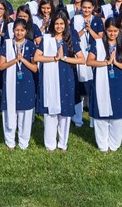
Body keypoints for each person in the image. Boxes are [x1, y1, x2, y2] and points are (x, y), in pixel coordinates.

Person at [34, 12, 80, 152]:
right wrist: (54, 58)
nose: (59, 26)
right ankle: (50, 144)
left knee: (65, 112)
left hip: (66, 77)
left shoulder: (70, 39)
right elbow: (37, 57)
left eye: (62, 24)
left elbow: (81, 59)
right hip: (49, 79)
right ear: (52, 25)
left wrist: (64, 58)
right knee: (50, 113)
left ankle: (63, 143)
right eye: (56, 24)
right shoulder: (46, 39)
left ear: (66, 25)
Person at [87, 18, 122, 152]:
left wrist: (116, 63)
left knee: (117, 112)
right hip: (101, 81)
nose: (112, 34)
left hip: (118, 82)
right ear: (105, 31)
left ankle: (114, 144)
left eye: (115, 31)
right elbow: (89, 61)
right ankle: (102, 144)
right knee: (101, 112)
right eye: (109, 31)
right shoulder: (98, 43)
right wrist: (106, 63)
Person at [0, 18, 38, 150]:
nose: (19, 33)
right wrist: (15, 60)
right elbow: (2, 66)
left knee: (25, 113)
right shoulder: (7, 44)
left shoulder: (31, 45)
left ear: (26, 31)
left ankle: (23, 142)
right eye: (16, 30)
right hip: (10, 82)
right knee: (10, 111)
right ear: (13, 31)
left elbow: (34, 68)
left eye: (22, 30)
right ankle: (10, 141)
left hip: (26, 83)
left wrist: (23, 60)